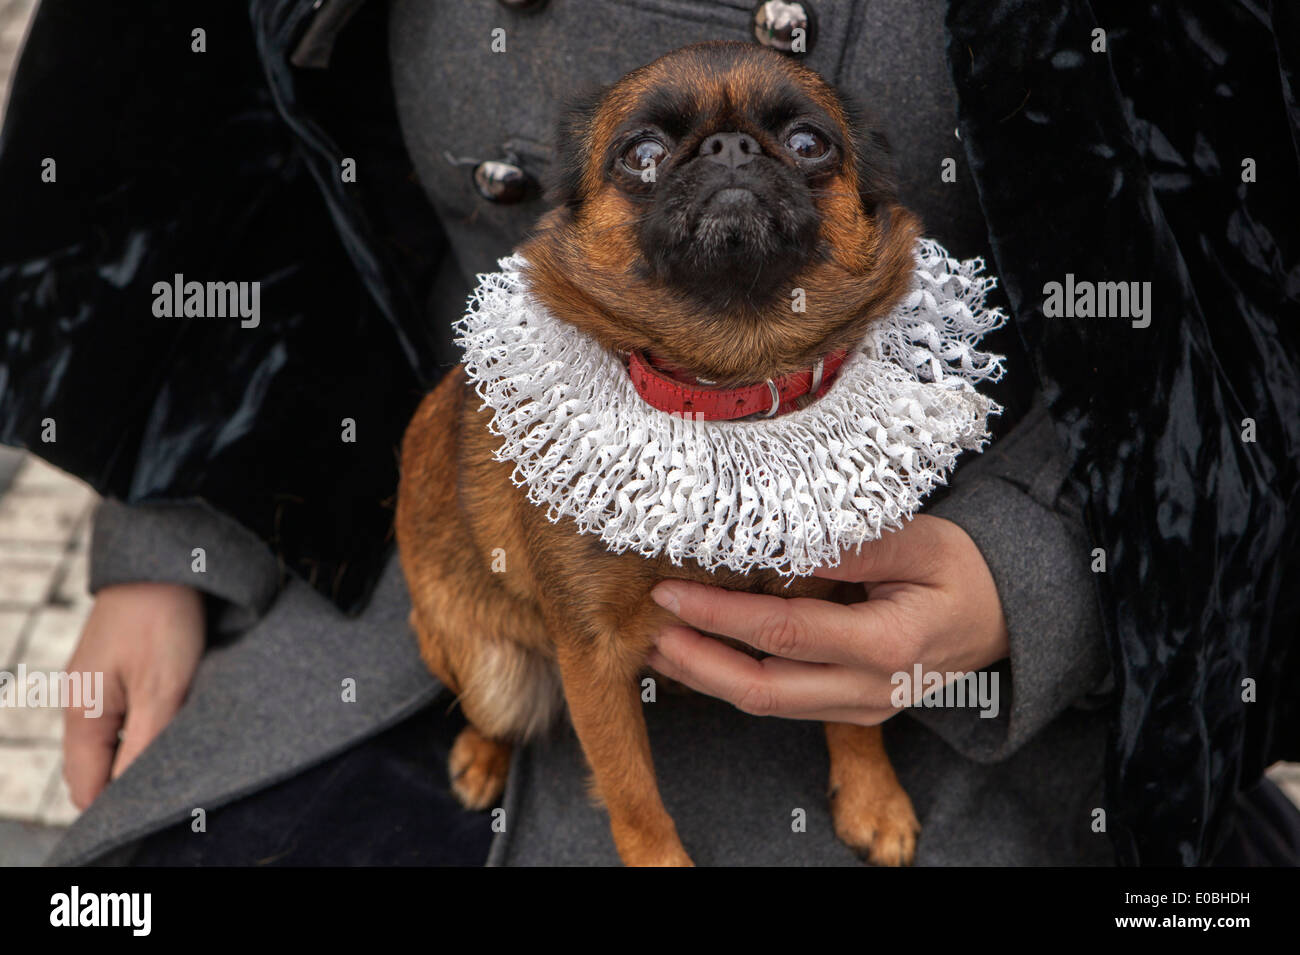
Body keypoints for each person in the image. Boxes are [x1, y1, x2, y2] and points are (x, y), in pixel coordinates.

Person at [1, 0, 1296, 865]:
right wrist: (177, 523)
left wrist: (1050, 561)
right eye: (657, 157)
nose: (733, 172)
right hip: (409, 572)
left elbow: (1261, 245)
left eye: (793, 142)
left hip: (967, 646)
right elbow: (183, 115)